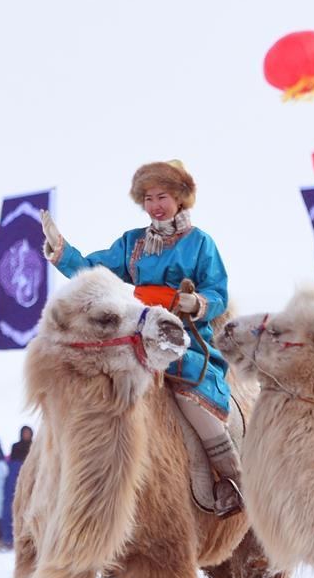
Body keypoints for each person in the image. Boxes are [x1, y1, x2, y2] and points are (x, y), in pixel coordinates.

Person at [40, 160, 242, 517]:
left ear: (180, 198)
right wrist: (62, 251)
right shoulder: (132, 242)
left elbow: (218, 293)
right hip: (139, 333)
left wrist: (195, 303)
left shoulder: (200, 244)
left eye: (162, 196)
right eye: (148, 198)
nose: (154, 205)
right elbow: (94, 271)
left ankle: (232, 479)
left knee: (192, 398)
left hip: (185, 339)